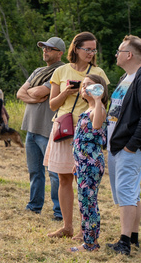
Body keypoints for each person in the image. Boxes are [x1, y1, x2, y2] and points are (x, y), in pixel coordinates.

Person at [46, 32, 110, 239]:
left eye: (94, 49)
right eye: (87, 49)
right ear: (76, 49)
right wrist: (67, 92)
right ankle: (67, 226)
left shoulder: (98, 72)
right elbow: (52, 104)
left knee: (83, 182)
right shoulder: (61, 71)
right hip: (63, 129)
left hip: (85, 133)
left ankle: (85, 229)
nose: (91, 53)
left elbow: (103, 101)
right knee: (63, 179)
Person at [106, 35, 141, 256]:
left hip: (128, 147)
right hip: (117, 145)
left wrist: (132, 145)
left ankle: (124, 242)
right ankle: (134, 237)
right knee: (130, 193)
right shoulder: (126, 77)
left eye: (119, 51)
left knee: (127, 193)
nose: (116, 55)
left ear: (129, 54)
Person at [17, 37, 65, 220]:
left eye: (50, 49)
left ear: (59, 53)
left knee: (54, 173)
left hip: (48, 129)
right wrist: (34, 99)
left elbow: (38, 91)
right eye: (44, 48)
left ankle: (59, 212)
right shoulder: (38, 71)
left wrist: (33, 94)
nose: (45, 51)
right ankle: (34, 206)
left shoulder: (61, 71)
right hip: (31, 128)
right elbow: (20, 93)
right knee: (35, 171)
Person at [70, 75, 108, 252]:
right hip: (82, 163)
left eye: (89, 85)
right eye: (83, 85)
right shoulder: (88, 108)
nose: (84, 88)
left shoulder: (98, 109)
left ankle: (91, 243)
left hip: (91, 164)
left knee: (88, 202)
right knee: (83, 201)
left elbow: (97, 124)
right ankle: (88, 240)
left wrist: (98, 99)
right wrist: (76, 162)